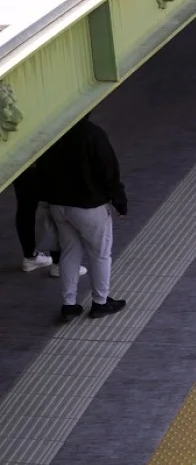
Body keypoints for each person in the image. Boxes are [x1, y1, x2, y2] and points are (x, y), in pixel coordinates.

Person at [38, 116, 128, 323]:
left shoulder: (53, 131)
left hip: (58, 205)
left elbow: (41, 169)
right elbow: (109, 170)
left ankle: (69, 305)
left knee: (69, 252)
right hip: (90, 206)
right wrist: (119, 201)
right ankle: (100, 302)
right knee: (100, 254)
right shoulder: (93, 134)